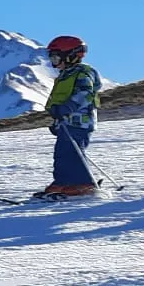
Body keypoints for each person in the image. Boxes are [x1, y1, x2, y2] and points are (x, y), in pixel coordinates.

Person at [38, 35, 102, 198]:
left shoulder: (82, 73)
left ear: (70, 56)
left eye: (56, 57)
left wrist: (66, 108)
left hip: (80, 121)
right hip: (68, 121)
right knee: (62, 153)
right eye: (52, 57)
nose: (53, 62)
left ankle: (84, 184)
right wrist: (58, 120)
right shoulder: (66, 74)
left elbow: (85, 93)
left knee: (73, 152)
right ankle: (63, 182)